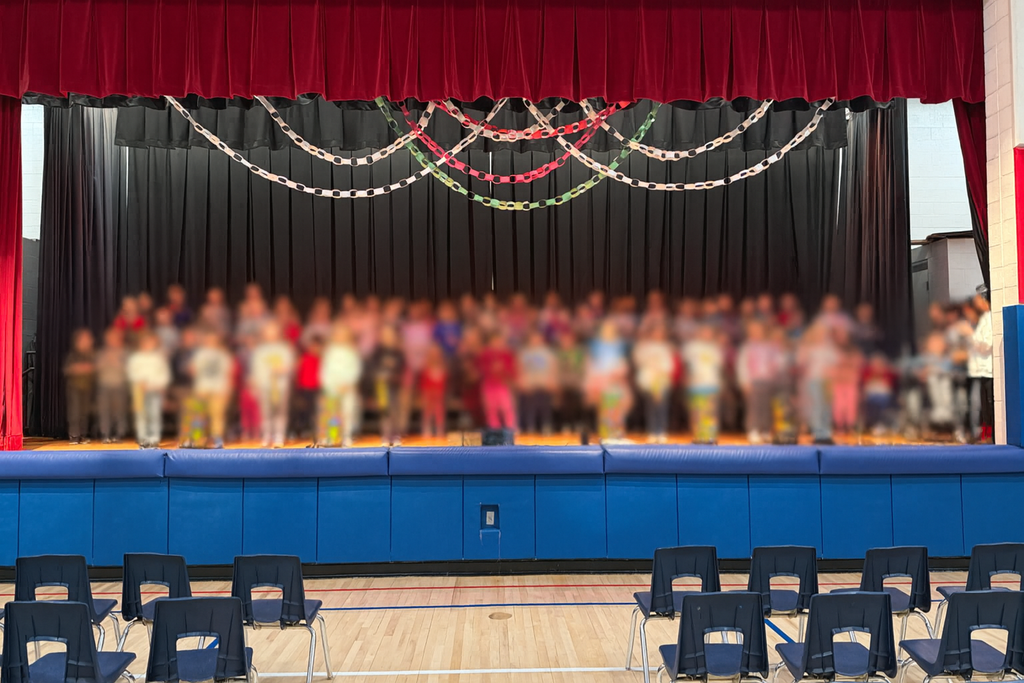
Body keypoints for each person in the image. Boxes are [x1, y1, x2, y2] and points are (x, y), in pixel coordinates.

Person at [249, 321, 296, 448]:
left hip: (281, 387)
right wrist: (256, 384)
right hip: (265, 387)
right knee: (266, 412)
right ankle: (267, 435)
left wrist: (282, 369)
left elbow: (290, 366)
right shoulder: (260, 351)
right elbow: (256, 370)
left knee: (280, 412)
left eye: (273, 332)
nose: (271, 335)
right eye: (268, 333)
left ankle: (279, 435)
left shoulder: (285, 349)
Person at [318, 323, 362, 447]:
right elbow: (325, 370)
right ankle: (332, 436)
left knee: (347, 412)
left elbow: (355, 369)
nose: (340, 337)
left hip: (347, 388)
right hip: (332, 388)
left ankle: (346, 436)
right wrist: (329, 385)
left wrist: (348, 383)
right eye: (338, 334)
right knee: (332, 414)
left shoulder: (351, 351)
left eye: (343, 335)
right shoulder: (330, 352)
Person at [736, 321, 780, 444]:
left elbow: (776, 362)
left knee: (767, 408)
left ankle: (765, 430)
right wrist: (744, 381)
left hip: (768, 381)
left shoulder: (770, 346)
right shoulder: (747, 347)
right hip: (754, 382)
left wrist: (774, 377)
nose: (757, 333)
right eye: (753, 330)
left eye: (759, 330)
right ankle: (753, 430)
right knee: (754, 408)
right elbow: (742, 365)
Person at [189, 330, 234, 448]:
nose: (210, 342)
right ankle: (198, 439)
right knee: (198, 415)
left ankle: (217, 440)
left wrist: (226, 389)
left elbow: (228, 373)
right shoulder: (200, 354)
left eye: (213, 340)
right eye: (208, 340)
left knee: (217, 415)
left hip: (218, 389)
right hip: (202, 388)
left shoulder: (223, 355)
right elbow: (194, 370)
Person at [126, 332, 171, 448]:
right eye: (146, 342)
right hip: (139, 389)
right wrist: (140, 382)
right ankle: (143, 437)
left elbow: (165, 375)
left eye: (151, 343)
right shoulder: (136, 358)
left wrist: (157, 384)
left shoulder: (159, 358)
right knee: (141, 414)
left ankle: (154, 438)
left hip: (155, 389)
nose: (148, 345)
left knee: (154, 414)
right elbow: (131, 372)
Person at [797, 323, 839, 445]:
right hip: (814, 381)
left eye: (824, 334)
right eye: (820, 334)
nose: (822, 336)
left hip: (827, 381)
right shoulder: (810, 348)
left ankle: (825, 431)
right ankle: (817, 432)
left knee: (826, 407)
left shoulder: (829, 348)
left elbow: (835, 362)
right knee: (817, 406)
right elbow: (801, 362)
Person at [682, 325, 724, 444]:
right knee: (697, 412)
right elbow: (687, 365)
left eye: (709, 333)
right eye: (705, 332)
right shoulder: (691, 347)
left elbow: (718, 367)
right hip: (696, 385)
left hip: (711, 384)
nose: (707, 335)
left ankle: (710, 436)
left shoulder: (715, 348)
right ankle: (698, 436)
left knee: (711, 412)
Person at [633, 324, 675, 443]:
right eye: (656, 332)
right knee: (651, 406)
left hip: (662, 380)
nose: (658, 335)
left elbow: (669, 365)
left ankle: (661, 430)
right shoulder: (644, 347)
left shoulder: (666, 347)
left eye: (660, 333)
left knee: (662, 406)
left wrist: (661, 373)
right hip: (649, 380)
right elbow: (639, 361)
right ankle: (652, 430)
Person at [517, 330, 558, 434]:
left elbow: (553, 368)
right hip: (530, 386)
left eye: (537, 338)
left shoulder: (547, 353)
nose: (535, 341)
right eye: (533, 338)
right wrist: (522, 382)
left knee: (545, 409)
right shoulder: (524, 353)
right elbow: (520, 369)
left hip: (544, 385)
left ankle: (546, 428)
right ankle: (530, 429)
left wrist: (552, 381)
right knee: (530, 409)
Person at [371, 325, 405, 445]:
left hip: (394, 387)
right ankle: (386, 435)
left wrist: (394, 376)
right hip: (382, 387)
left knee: (394, 411)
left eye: (390, 335)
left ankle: (395, 435)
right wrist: (380, 376)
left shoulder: (398, 353)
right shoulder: (378, 352)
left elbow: (401, 368)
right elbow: (373, 367)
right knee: (385, 412)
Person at [477, 332, 517, 431]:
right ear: (490, 342)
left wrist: (504, 371)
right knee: (491, 410)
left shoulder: (507, 354)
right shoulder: (485, 354)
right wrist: (491, 368)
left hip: (503, 385)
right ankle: (495, 432)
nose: (497, 343)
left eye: (499, 341)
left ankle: (511, 431)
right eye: (495, 341)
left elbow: (512, 370)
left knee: (507, 408)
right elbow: (481, 369)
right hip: (489, 385)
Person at [95, 327, 129, 443]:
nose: (111, 341)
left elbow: (129, 370)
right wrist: (105, 361)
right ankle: (105, 434)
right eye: (109, 338)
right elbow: (97, 368)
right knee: (105, 411)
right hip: (104, 386)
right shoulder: (102, 353)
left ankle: (118, 434)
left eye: (114, 338)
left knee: (118, 411)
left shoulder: (124, 352)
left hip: (119, 386)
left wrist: (116, 362)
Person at [968, 289, 993, 442]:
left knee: (990, 403)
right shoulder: (983, 319)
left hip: (990, 368)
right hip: (980, 369)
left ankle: (991, 434)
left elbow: (986, 346)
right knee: (982, 403)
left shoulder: (991, 318)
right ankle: (985, 432)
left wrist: (973, 342)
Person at [64, 328, 96, 444]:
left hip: (86, 388)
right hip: (74, 388)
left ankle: (83, 435)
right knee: (74, 412)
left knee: (84, 413)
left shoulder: (92, 354)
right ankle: (74, 436)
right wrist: (80, 369)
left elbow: (96, 368)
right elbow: (68, 370)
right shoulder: (73, 355)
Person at [831, 330, 864, 436]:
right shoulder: (832, 349)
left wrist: (847, 362)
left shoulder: (854, 350)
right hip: (838, 381)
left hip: (850, 381)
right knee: (838, 405)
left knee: (851, 404)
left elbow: (859, 363)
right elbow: (831, 365)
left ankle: (850, 426)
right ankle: (839, 427)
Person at [294, 336, 322, 439]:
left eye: (316, 346)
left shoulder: (321, 359)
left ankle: (316, 431)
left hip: (317, 389)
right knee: (304, 411)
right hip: (304, 389)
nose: (314, 348)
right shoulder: (304, 358)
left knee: (317, 412)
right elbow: (297, 372)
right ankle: (304, 430)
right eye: (311, 346)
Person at [418, 344, 449, 437]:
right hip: (428, 396)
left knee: (439, 410)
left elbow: (444, 386)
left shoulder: (443, 369)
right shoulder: (426, 369)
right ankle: (426, 429)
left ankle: (440, 429)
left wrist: (439, 394)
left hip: (439, 397)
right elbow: (423, 385)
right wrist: (426, 395)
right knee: (427, 412)